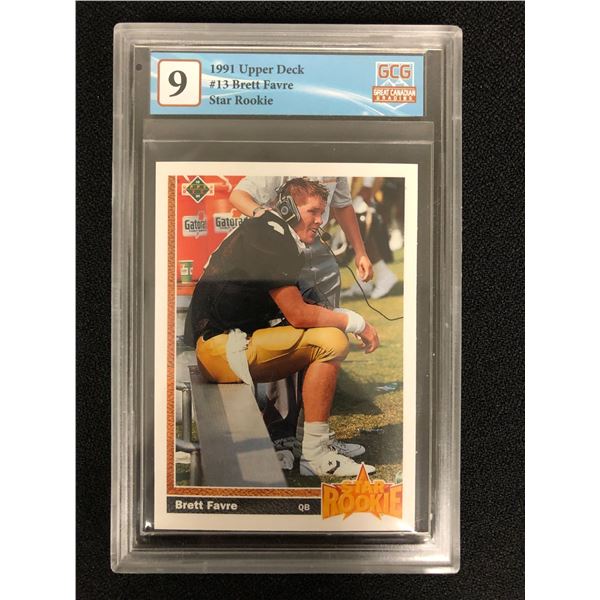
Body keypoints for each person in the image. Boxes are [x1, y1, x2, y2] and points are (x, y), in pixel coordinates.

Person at [184, 179, 380, 476]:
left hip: (224, 343)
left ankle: (306, 442)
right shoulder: (271, 236)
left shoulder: (273, 231)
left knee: (328, 333)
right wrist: (358, 323)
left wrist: (341, 316)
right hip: (220, 349)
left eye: (322, 212)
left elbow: (297, 306)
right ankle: (315, 455)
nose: (320, 220)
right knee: (332, 341)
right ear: (287, 208)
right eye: (313, 211)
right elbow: (298, 315)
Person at [228, 176, 373, 457]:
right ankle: (281, 436)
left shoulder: (337, 161)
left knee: (328, 340)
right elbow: (239, 195)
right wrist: (269, 222)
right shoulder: (281, 159)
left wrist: (361, 251)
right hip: (285, 246)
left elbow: (342, 204)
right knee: (288, 341)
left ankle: (314, 437)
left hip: (319, 250)